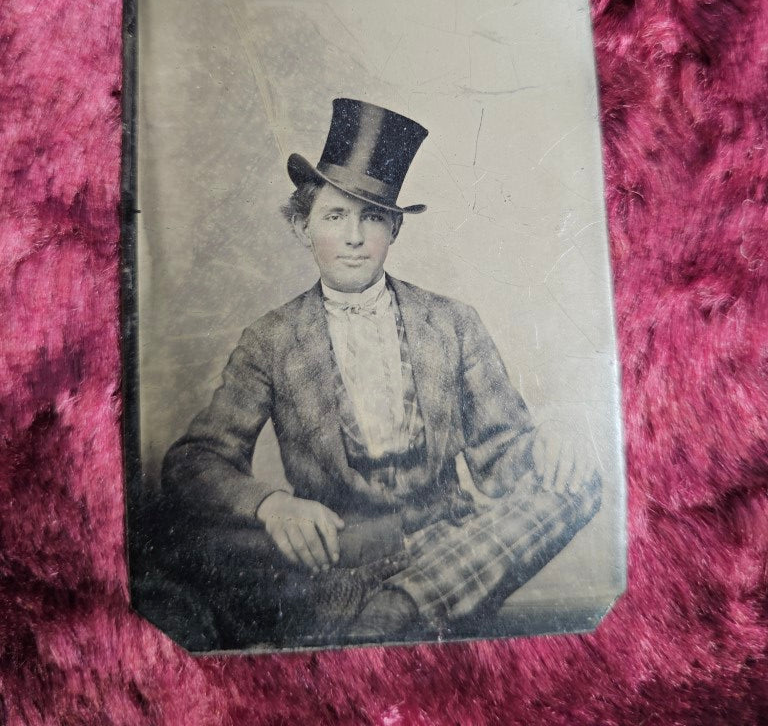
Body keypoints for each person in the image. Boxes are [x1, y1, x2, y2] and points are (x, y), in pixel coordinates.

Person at [159, 99, 601, 650]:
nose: (353, 237)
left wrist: (554, 438)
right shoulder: (271, 339)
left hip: (452, 540)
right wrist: (273, 506)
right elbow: (193, 461)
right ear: (303, 226)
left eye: (371, 217)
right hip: (339, 549)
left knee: (577, 483)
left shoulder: (452, 324)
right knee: (173, 541)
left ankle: (393, 615)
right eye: (335, 216)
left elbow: (502, 460)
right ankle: (389, 613)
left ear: (394, 230)